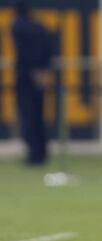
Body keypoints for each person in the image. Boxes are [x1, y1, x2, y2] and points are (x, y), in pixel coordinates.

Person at [12, 0, 52, 165]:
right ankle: (41, 152)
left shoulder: (18, 26)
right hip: (40, 74)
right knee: (38, 115)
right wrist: (43, 69)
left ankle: (33, 154)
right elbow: (49, 47)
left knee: (27, 115)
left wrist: (32, 69)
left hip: (25, 75)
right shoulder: (40, 26)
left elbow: (24, 51)